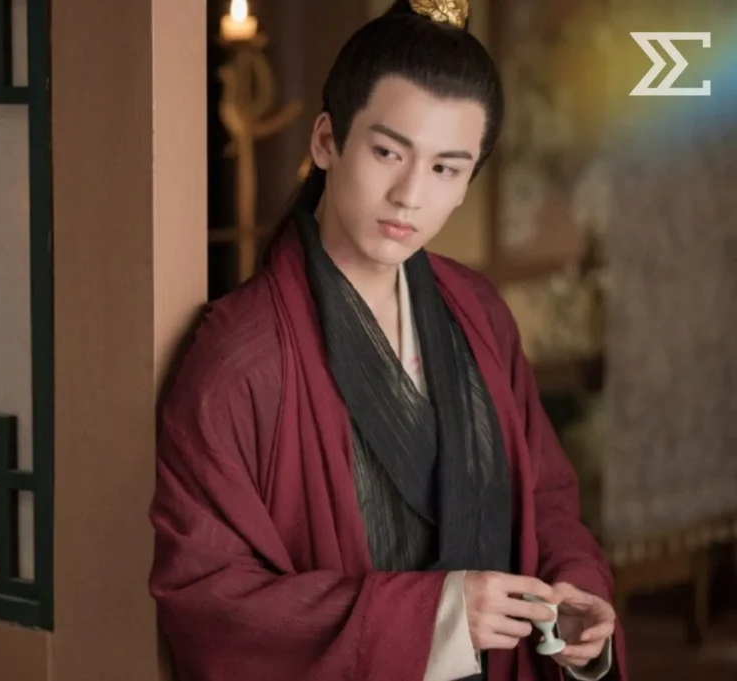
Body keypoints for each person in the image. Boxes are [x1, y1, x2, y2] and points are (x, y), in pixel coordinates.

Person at [148, 0, 625, 679]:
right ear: (326, 141)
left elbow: (544, 497)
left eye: (445, 169)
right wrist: (440, 615)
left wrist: (574, 590)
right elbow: (208, 599)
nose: (409, 194)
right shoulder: (242, 360)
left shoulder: (478, 313)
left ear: (466, 183)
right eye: (387, 152)